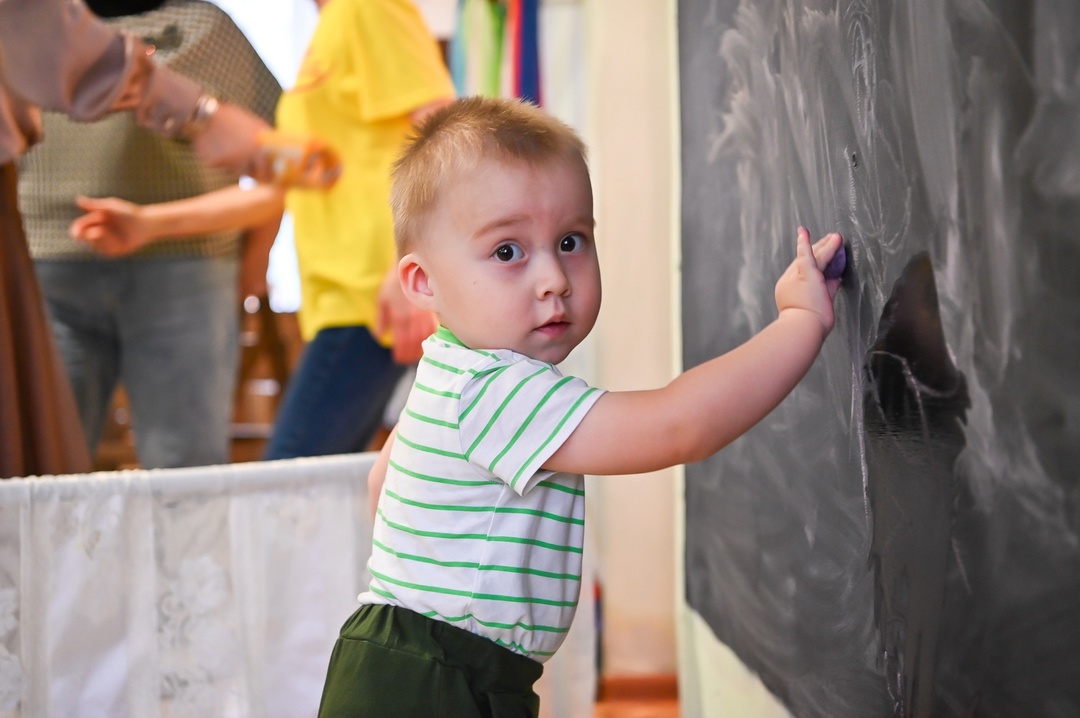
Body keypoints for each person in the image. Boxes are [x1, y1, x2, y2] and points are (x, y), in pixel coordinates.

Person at [316, 96, 845, 716]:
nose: (554, 279)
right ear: (423, 282)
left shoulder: (449, 369)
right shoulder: (497, 390)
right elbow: (679, 426)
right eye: (508, 251)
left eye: (571, 241)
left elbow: (383, 484)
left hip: (412, 664)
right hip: (433, 679)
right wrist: (800, 322)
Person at [70, 0, 456, 462]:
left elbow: (445, 131)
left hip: (374, 300)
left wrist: (409, 262)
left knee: (289, 477)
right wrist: (148, 224)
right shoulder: (328, 31)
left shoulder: (368, 8)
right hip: (343, 301)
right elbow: (282, 191)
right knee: (322, 481)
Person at [0, 0, 332, 478]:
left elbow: (273, 163)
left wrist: (254, 266)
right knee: (42, 470)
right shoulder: (47, 26)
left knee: (185, 468)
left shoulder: (208, 29)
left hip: (184, 271)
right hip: (45, 262)